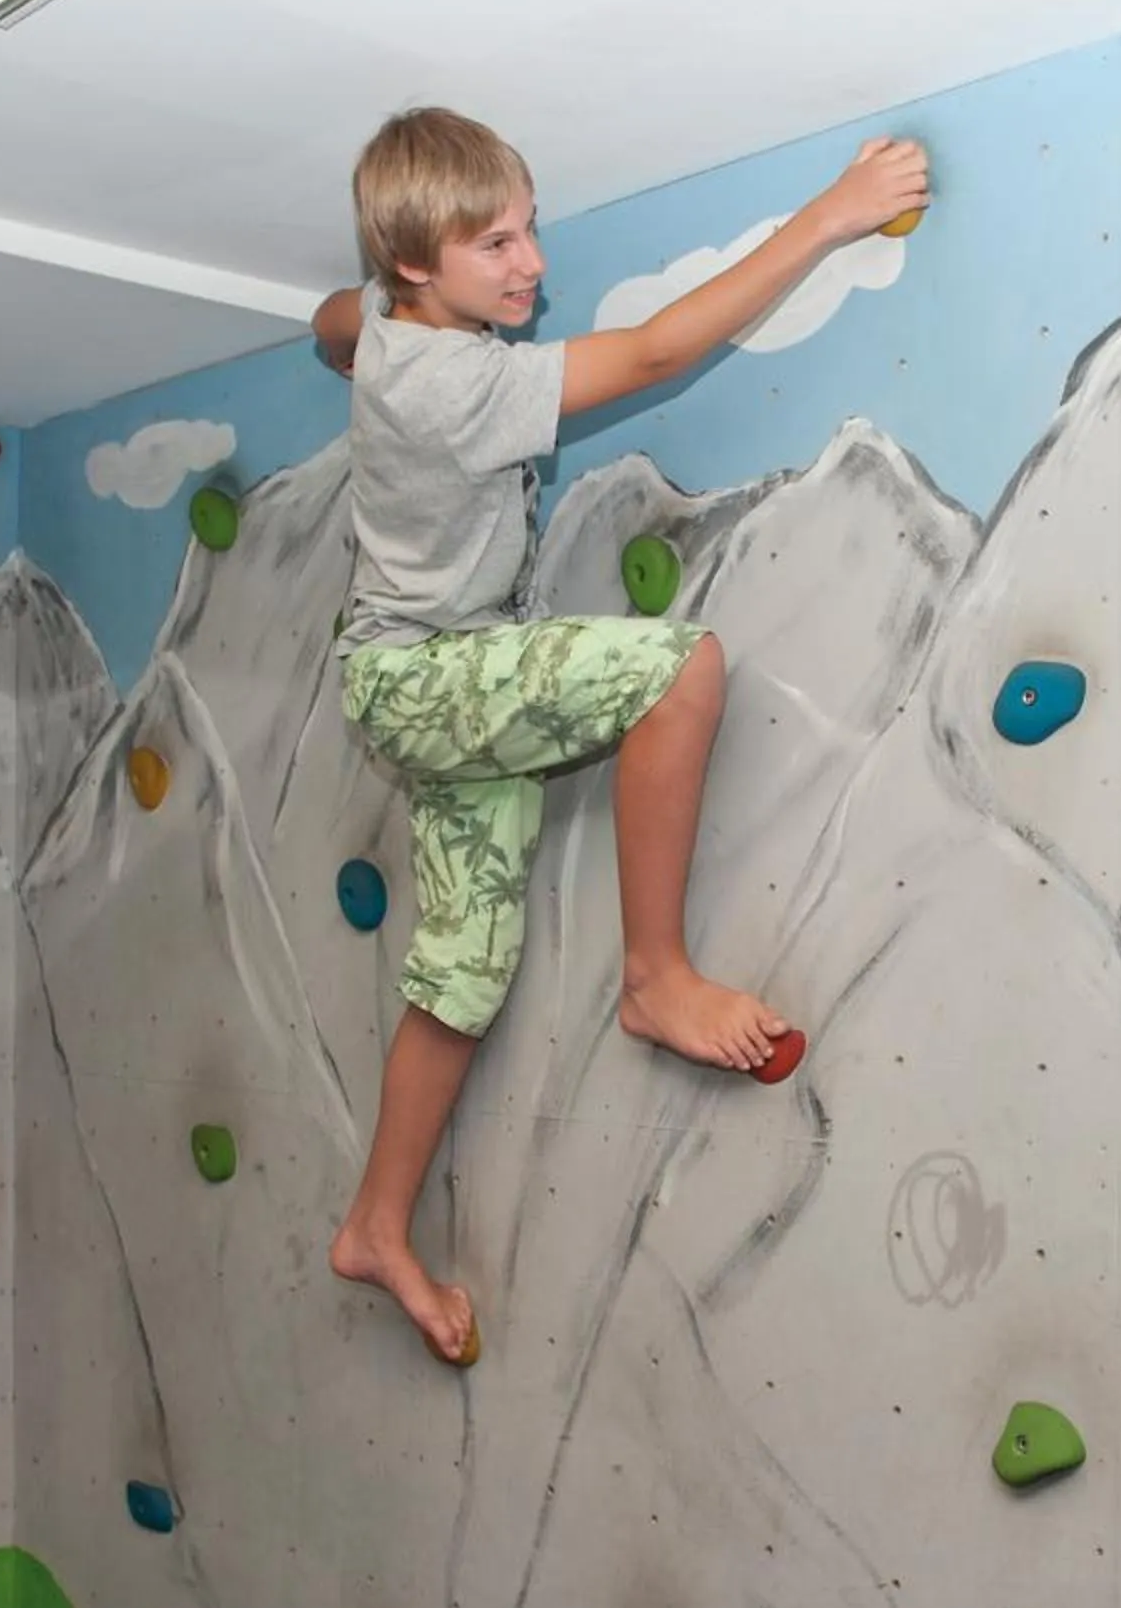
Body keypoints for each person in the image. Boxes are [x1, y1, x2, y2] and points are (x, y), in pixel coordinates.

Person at [308, 107, 928, 1363]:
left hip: (441, 695)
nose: (532, 265)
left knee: (463, 974)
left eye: (529, 229)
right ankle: (656, 977)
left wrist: (352, 330)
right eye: (497, 246)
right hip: (421, 680)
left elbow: (332, 321)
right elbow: (651, 353)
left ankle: (375, 1225)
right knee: (677, 670)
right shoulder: (454, 380)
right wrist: (832, 215)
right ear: (418, 263)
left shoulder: (386, 321)